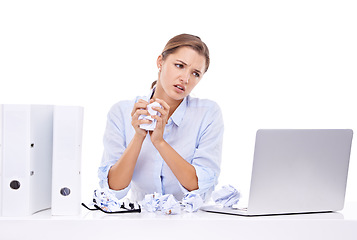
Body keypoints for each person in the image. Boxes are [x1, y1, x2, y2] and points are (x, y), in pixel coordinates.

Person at [98, 33, 224, 202]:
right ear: (160, 62)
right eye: (179, 65)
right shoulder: (121, 112)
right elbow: (113, 190)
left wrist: (160, 142)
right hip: (140, 220)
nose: (185, 79)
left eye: (195, 74)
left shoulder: (207, 113)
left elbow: (199, 188)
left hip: (190, 222)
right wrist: (139, 137)